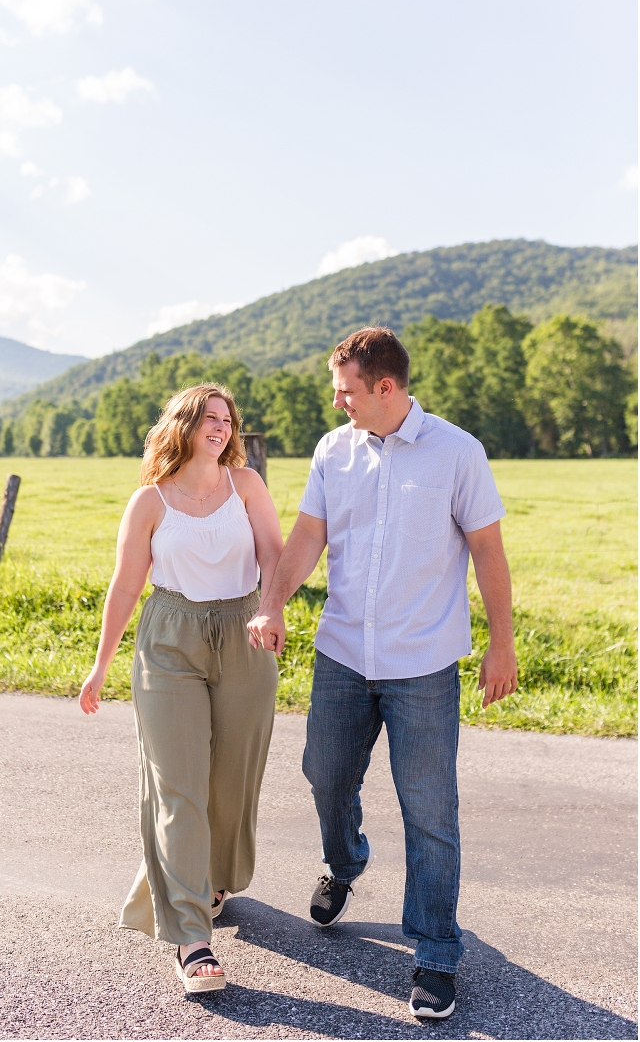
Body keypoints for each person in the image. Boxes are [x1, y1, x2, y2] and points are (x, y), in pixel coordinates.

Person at [248, 327, 517, 1021]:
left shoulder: (456, 452)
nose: (338, 401)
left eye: (346, 390)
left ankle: (434, 955)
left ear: (385, 388)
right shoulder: (334, 451)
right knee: (324, 773)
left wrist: (502, 645)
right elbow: (309, 534)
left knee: (430, 813)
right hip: (342, 651)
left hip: (422, 662)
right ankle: (344, 863)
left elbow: (487, 549)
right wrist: (272, 603)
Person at [79, 384, 283, 993]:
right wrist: (100, 666)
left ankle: (212, 877)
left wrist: (272, 610)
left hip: (243, 631)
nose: (221, 428)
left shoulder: (245, 486)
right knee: (178, 784)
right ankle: (193, 939)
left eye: (227, 420)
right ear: (184, 426)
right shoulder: (150, 501)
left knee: (231, 779)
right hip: (168, 639)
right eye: (209, 419)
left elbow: (274, 553)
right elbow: (125, 586)